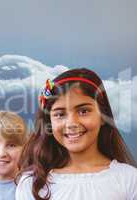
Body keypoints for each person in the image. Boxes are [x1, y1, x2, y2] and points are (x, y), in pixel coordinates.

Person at [16, 68, 137, 200]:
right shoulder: (32, 184)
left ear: (103, 116)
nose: (71, 123)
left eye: (83, 111)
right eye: (60, 114)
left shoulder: (129, 179)